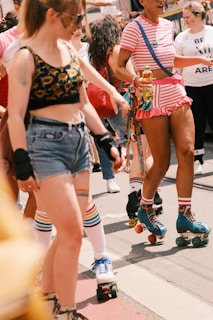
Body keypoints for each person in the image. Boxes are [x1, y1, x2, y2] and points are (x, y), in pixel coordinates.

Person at [7, 1, 128, 320]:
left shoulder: (70, 53)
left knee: (71, 229)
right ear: (52, 15)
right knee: (73, 230)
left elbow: (84, 104)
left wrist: (107, 140)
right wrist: (22, 160)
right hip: (45, 147)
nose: (80, 24)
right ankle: (67, 309)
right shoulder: (25, 57)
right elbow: (17, 116)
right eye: (75, 17)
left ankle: (47, 298)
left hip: (78, 145)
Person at [116, 0, 212, 243]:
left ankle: (185, 213)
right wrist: (135, 81)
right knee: (161, 162)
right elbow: (119, 67)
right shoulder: (133, 28)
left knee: (188, 151)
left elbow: (169, 62)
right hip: (151, 95)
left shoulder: (169, 25)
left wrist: (199, 61)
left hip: (175, 90)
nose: (162, 1)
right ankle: (145, 207)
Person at [174, 1, 213, 175]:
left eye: (188, 17)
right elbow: (177, 64)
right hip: (192, 85)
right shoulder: (182, 38)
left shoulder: (211, 32)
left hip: (211, 83)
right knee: (196, 123)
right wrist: (178, 86)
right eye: (184, 18)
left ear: (198, 16)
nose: (185, 20)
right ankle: (198, 160)